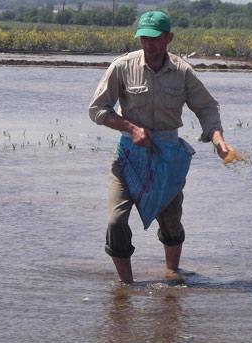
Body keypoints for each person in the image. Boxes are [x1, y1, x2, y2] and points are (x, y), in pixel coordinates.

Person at [88, 10, 233, 284]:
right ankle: (126, 287)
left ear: (169, 38)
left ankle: (172, 274)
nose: (149, 44)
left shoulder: (182, 72)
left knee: (170, 222)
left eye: (155, 38)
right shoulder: (122, 67)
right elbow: (97, 109)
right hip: (129, 155)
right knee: (116, 222)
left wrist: (218, 140)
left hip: (167, 157)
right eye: (144, 38)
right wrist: (130, 129)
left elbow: (206, 108)